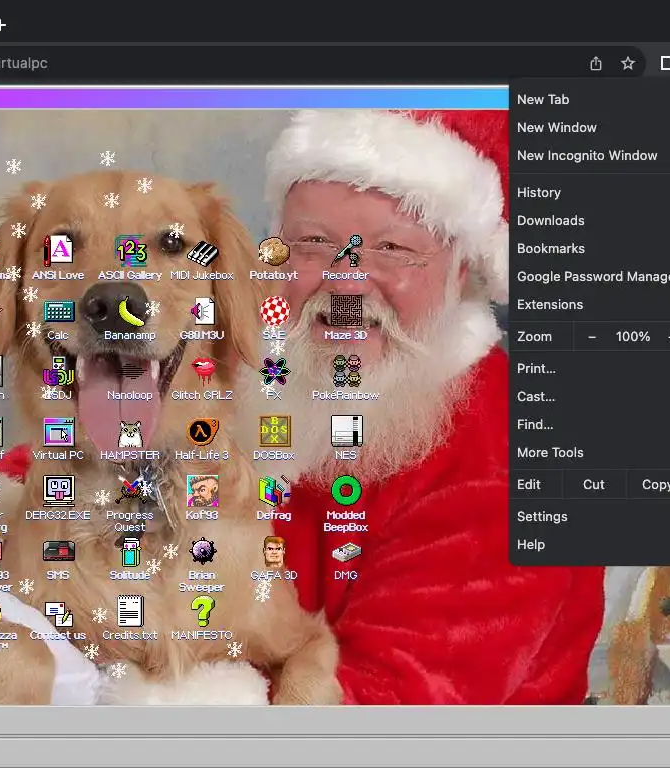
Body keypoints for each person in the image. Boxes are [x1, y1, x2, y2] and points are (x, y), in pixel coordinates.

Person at [242, 109, 605, 704]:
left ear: (462, 271)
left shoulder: (506, 459)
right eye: (313, 243)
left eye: (393, 248)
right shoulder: (257, 373)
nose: (346, 281)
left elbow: (385, 706)